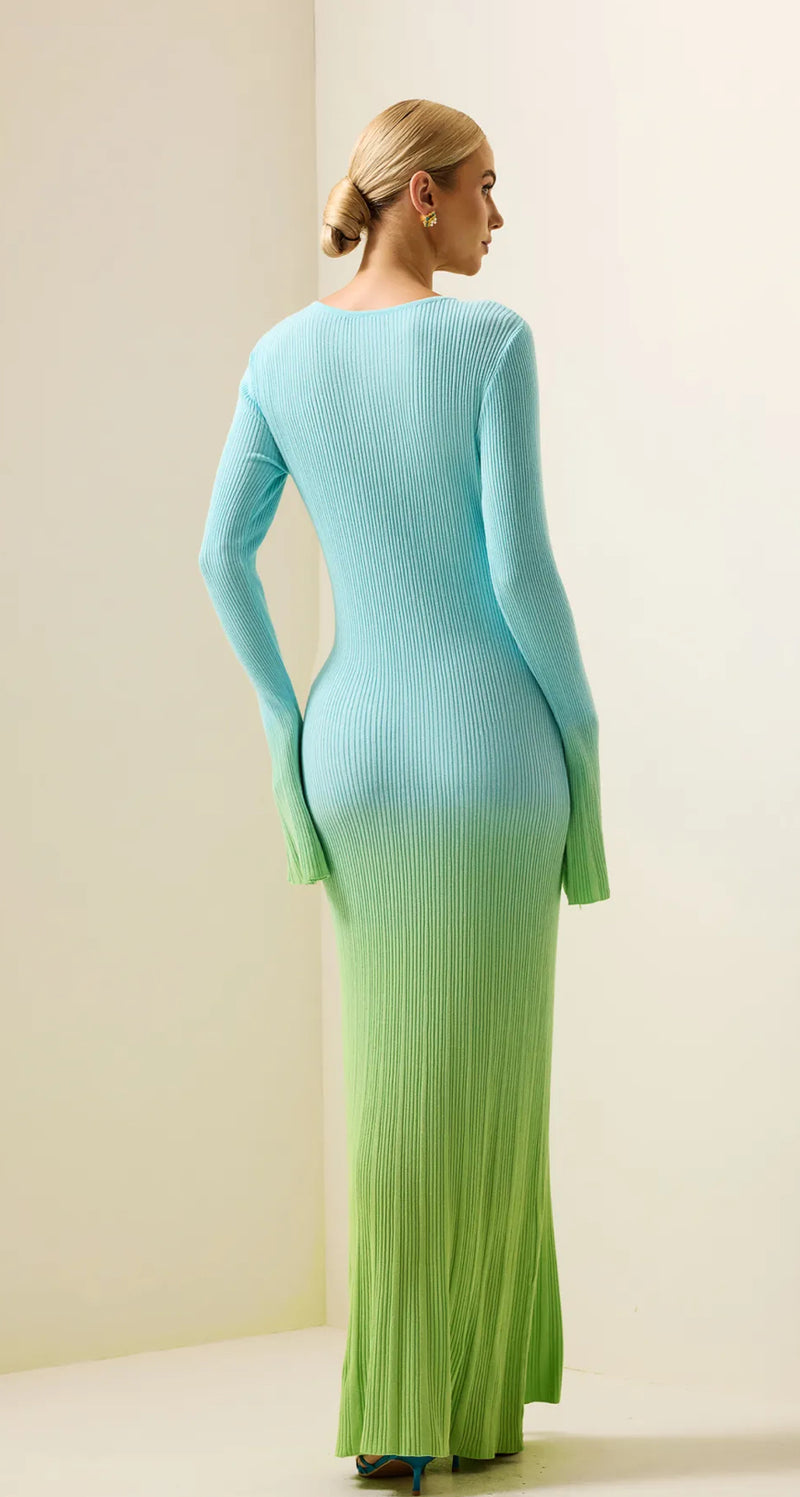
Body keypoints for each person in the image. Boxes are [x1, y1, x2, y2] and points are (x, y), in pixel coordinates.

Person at [198, 97, 610, 1494]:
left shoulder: (280, 354)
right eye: (487, 185)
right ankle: (450, 1403)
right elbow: (520, 571)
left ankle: (417, 1408)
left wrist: (285, 725)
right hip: (492, 752)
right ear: (423, 195)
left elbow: (221, 555)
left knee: (393, 1078)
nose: (500, 214)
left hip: (358, 749)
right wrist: (584, 737)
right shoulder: (489, 342)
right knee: (485, 1079)